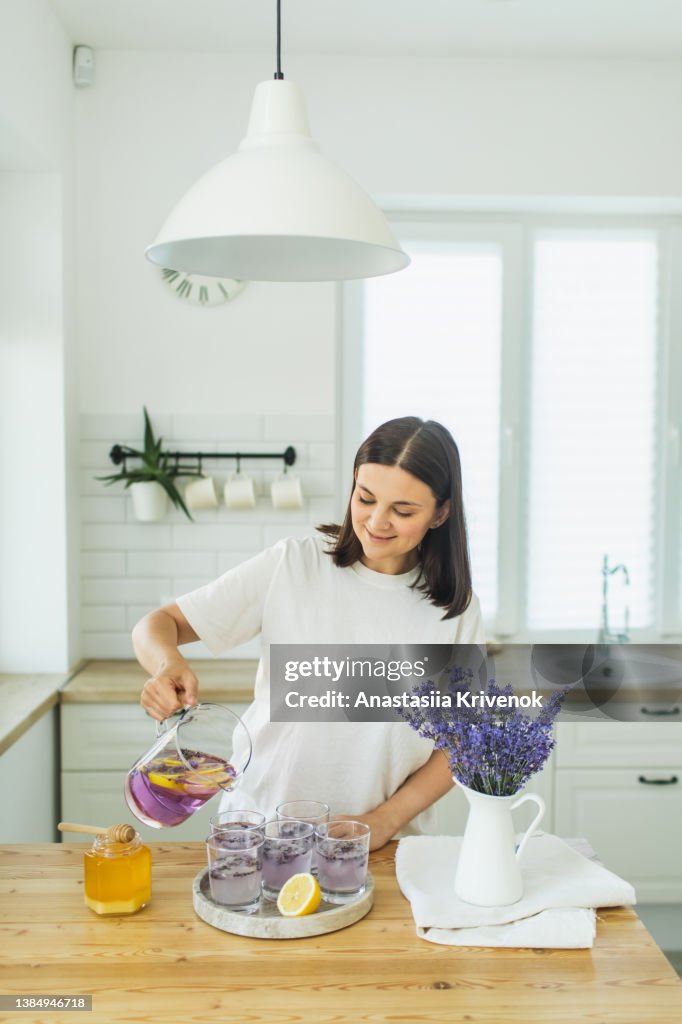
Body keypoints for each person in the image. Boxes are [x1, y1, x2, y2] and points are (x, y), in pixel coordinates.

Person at [134, 416, 484, 849]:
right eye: (365, 497)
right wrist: (167, 663)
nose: (376, 521)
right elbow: (157, 625)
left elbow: (461, 742)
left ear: (441, 513)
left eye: (403, 510)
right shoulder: (293, 565)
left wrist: (385, 820)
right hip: (258, 831)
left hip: (381, 847)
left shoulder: (453, 612)